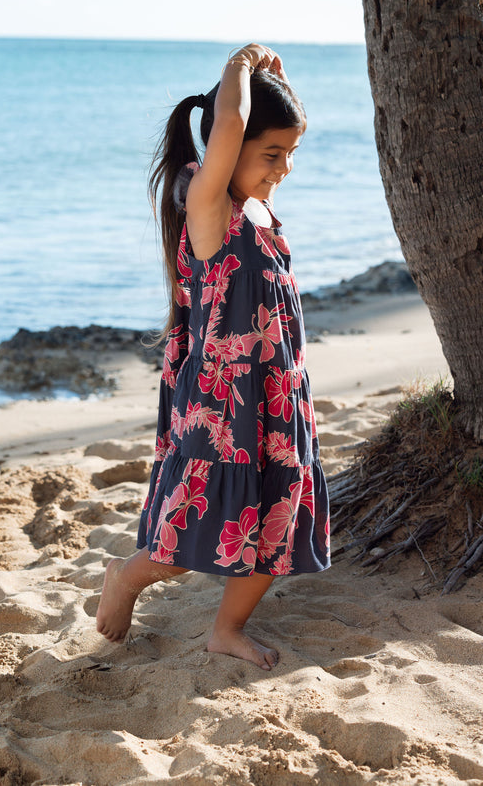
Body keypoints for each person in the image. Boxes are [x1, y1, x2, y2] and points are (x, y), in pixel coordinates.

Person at [96, 43, 330, 670]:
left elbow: (246, 129)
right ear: (225, 153)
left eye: (290, 155)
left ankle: (226, 630)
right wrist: (239, 65)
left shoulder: (258, 207)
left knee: (276, 527)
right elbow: (230, 123)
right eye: (271, 154)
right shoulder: (207, 207)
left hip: (277, 397)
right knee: (190, 530)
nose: (282, 168)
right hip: (221, 404)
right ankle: (125, 576)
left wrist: (272, 88)